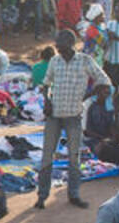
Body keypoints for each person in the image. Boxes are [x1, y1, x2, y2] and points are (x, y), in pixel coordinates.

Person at [41, 28, 110, 209]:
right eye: (57, 43)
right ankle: (42, 195)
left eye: (60, 43)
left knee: (74, 157)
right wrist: (47, 101)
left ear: (71, 43)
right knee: (47, 155)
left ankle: (74, 194)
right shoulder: (54, 61)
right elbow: (46, 84)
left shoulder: (85, 61)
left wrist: (87, 95)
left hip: (74, 115)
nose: (57, 46)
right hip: (54, 115)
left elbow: (104, 80)